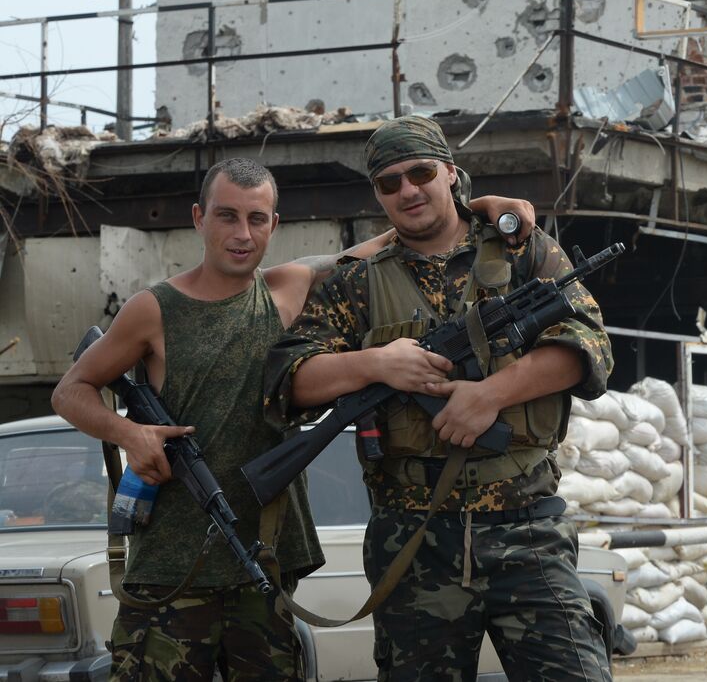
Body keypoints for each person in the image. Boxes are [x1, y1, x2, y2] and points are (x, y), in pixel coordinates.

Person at [52, 155, 534, 681]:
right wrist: (129, 433)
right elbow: (71, 390)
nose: (242, 233)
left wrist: (487, 206)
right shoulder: (155, 308)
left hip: (263, 564)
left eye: (256, 219)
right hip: (171, 570)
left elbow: (397, 238)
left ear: (274, 225)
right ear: (198, 218)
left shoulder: (289, 287)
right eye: (226, 216)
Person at [265, 115, 613, 682]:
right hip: (412, 539)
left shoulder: (522, 250)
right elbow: (290, 381)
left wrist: (489, 395)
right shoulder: (354, 282)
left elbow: (588, 346)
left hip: (526, 529)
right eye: (389, 182)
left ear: (450, 173)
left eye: (421, 172)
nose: (408, 190)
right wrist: (373, 363)